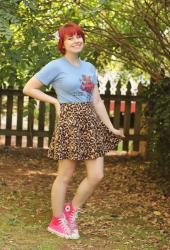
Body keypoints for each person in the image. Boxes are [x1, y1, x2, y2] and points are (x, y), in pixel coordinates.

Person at [23, 22, 125, 240]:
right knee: (65, 175)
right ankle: (57, 220)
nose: (76, 40)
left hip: (90, 122)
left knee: (97, 175)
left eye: (79, 36)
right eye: (70, 38)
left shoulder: (89, 67)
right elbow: (28, 88)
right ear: (63, 43)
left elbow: (96, 100)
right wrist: (55, 102)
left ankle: (71, 210)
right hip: (70, 122)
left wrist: (110, 127)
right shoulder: (55, 66)